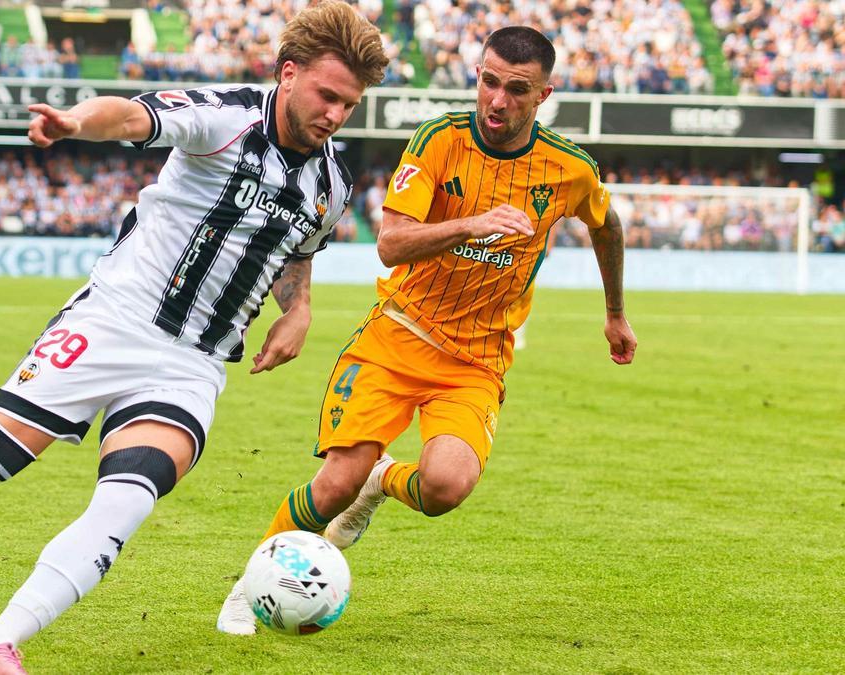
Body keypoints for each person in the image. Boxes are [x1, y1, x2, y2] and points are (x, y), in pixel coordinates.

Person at [0, 3, 388, 673]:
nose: (334, 113)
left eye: (348, 104)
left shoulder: (330, 183)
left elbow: (299, 248)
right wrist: (74, 124)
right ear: (290, 72)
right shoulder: (225, 116)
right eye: (327, 95)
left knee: (128, 498)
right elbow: (132, 116)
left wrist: (297, 310)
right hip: (113, 318)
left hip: (193, 364)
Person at [216, 25, 637, 635]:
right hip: (396, 337)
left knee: (445, 487)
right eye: (488, 82)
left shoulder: (569, 169)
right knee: (333, 486)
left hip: (476, 363)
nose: (497, 100)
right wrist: (472, 224)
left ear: (543, 95)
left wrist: (616, 312)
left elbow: (608, 226)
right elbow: (390, 244)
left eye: (517, 90)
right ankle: (248, 588)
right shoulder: (438, 140)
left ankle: (384, 479)